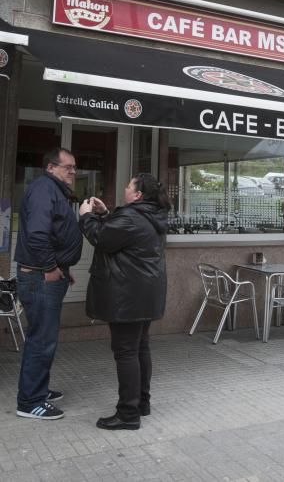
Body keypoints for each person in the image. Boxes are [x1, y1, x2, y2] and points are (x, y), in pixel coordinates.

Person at [79, 173, 170, 431]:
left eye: (129, 185)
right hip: (144, 294)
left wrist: (86, 215)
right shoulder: (148, 214)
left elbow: (102, 239)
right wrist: (106, 213)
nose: (125, 188)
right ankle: (141, 402)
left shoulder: (131, 216)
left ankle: (128, 414)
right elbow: (119, 234)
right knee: (140, 348)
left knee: (126, 352)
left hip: (128, 295)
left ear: (138, 194)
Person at [15, 147, 83, 420]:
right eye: (69, 167)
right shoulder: (44, 189)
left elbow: (55, 234)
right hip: (40, 276)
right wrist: (51, 267)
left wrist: (63, 267)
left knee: (44, 337)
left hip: (48, 274)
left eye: (75, 167)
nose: (74, 172)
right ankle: (30, 401)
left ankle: (37, 389)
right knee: (41, 340)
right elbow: (38, 235)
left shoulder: (54, 191)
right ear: (51, 167)